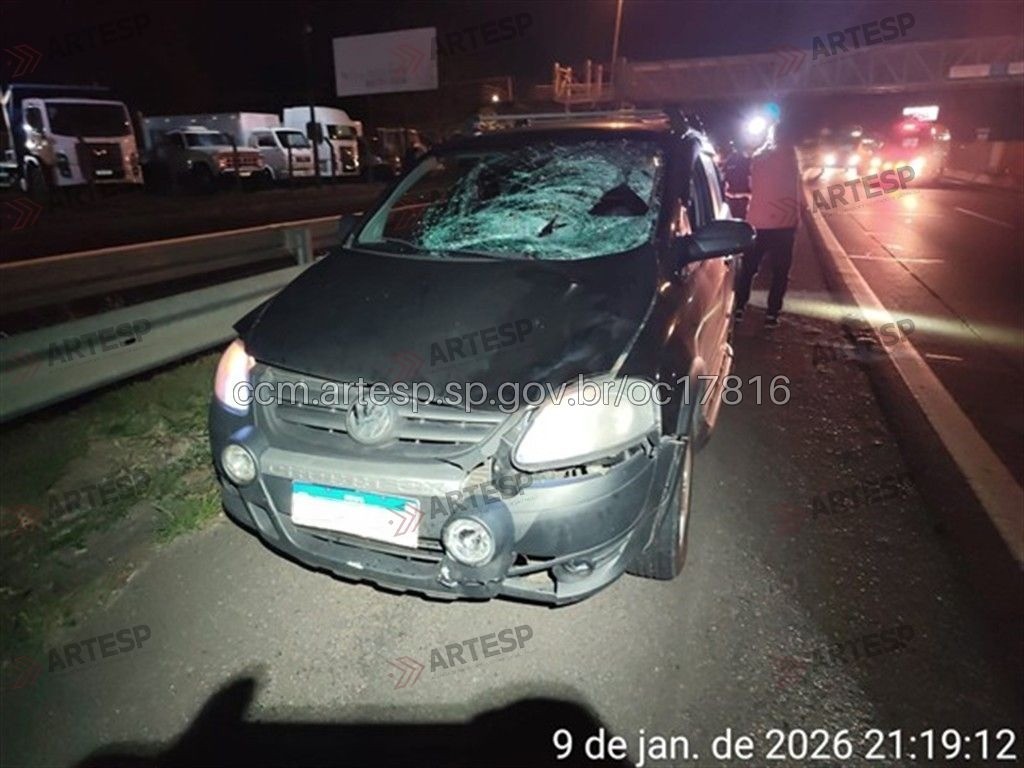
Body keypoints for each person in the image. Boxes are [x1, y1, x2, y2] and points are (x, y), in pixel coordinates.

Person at [734, 119, 800, 327]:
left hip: (757, 222)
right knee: (779, 272)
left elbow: (754, 184)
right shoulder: (793, 156)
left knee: (748, 269)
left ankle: (739, 307)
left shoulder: (759, 157)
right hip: (784, 224)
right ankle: (772, 314)